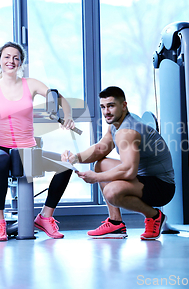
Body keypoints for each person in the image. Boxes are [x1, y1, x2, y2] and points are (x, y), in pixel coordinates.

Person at [0, 42, 75, 241]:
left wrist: (68, 115)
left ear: (21, 62)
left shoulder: (32, 84)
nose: (11, 61)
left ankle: (45, 217)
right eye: (6, 57)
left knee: (66, 165)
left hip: (27, 149)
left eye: (16, 58)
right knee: (2, 161)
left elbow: (59, 97)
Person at [62, 86, 175, 240]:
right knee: (100, 164)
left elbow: (129, 171)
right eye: (103, 107)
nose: (106, 112)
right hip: (144, 178)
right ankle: (115, 223)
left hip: (162, 186)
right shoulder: (117, 125)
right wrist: (75, 158)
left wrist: (95, 178)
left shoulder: (127, 132)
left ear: (123, 105)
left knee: (111, 192)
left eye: (111, 106)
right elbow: (101, 149)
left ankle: (154, 216)